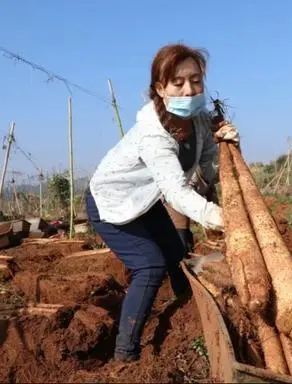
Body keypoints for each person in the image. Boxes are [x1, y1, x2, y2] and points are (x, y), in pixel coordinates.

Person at [86, 43, 239, 363]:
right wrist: (225, 219)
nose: (189, 90)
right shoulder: (153, 133)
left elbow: (208, 166)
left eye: (196, 80)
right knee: (150, 265)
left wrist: (227, 146)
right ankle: (124, 354)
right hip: (110, 203)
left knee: (176, 255)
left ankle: (189, 308)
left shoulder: (198, 121)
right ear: (160, 87)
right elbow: (177, 192)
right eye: (178, 82)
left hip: (143, 199)